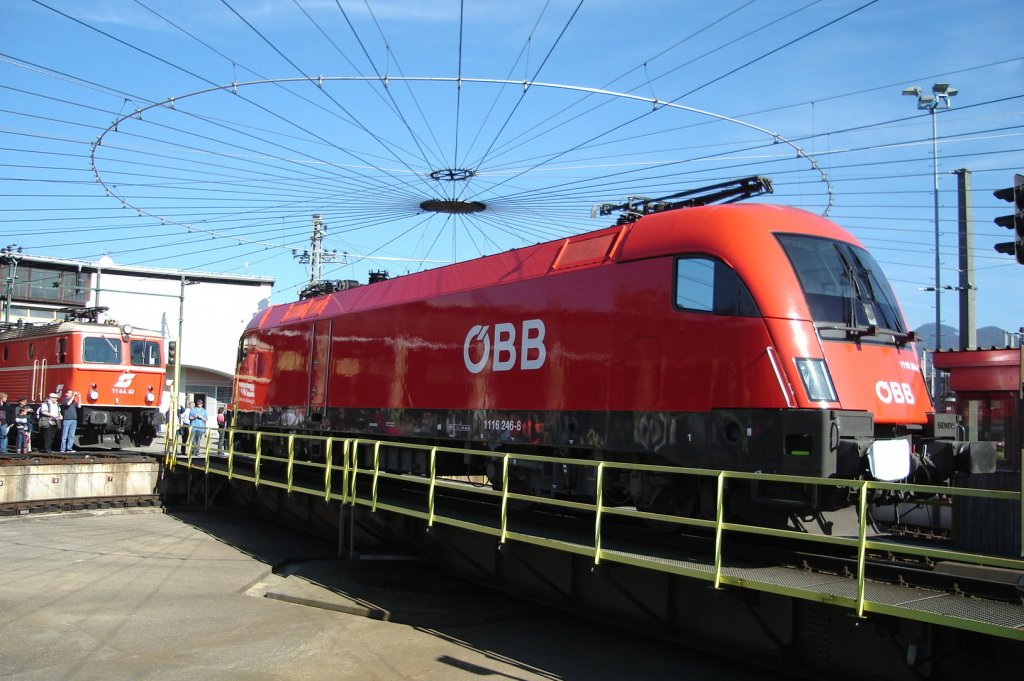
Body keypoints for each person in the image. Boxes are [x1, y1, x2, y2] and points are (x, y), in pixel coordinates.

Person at [59, 388, 81, 453]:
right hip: (67, 420)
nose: (71, 394)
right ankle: (62, 449)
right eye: (70, 393)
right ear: (66, 394)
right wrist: (74, 395)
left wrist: (79, 398)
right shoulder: (64, 400)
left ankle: (69, 448)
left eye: (72, 393)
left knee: (71, 435)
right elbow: (68, 404)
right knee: (64, 435)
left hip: (74, 420)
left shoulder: (73, 401)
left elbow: (79, 406)